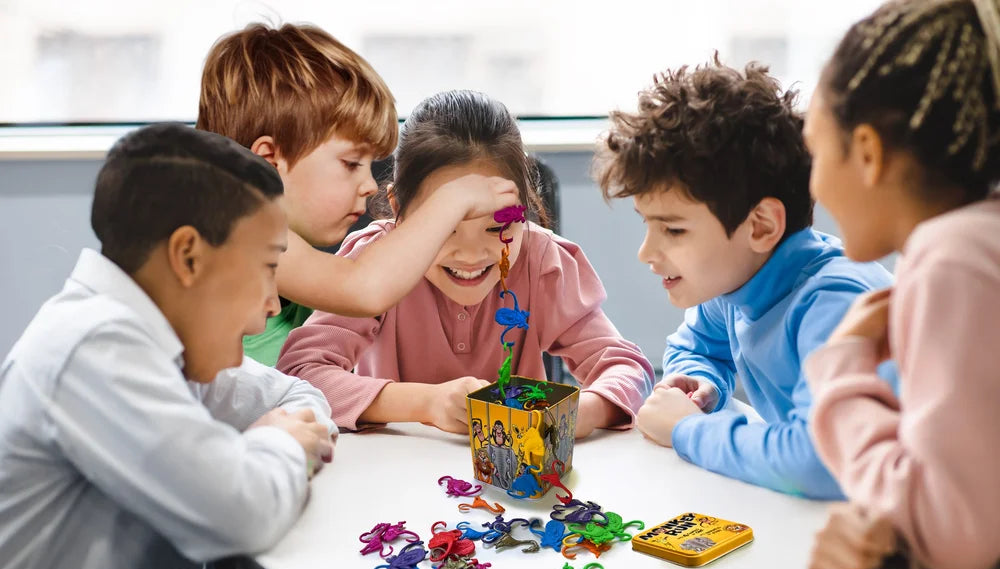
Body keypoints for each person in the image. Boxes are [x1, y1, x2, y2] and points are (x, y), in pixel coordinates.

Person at [0, 123, 336, 569]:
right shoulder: (96, 347)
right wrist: (274, 444)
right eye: (267, 267)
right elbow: (241, 511)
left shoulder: (165, 347)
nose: (273, 304)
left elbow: (298, 397)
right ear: (189, 257)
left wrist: (269, 440)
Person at [593, 56, 894, 499]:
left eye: (673, 229)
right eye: (647, 224)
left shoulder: (835, 303)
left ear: (760, 227)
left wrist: (688, 429)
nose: (647, 253)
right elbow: (694, 348)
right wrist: (702, 385)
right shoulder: (734, 281)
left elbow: (820, 460)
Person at [278, 90, 653, 437]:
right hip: (392, 475)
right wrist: (427, 403)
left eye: (497, 227)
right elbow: (300, 375)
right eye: (444, 228)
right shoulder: (374, 262)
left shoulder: (542, 261)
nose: (471, 256)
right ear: (398, 210)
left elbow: (627, 368)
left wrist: (573, 415)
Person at [802, 0, 1000, 569]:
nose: (813, 183)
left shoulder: (952, 256)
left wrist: (841, 369)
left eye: (814, 152)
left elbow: (955, 534)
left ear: (867, 151)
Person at [198, 23, 519, 365]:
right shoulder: (236, 230)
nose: (369, 185)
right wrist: (452, 199)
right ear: (267, 162)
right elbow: (363, 287)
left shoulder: (307, 265)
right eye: (351, 163)